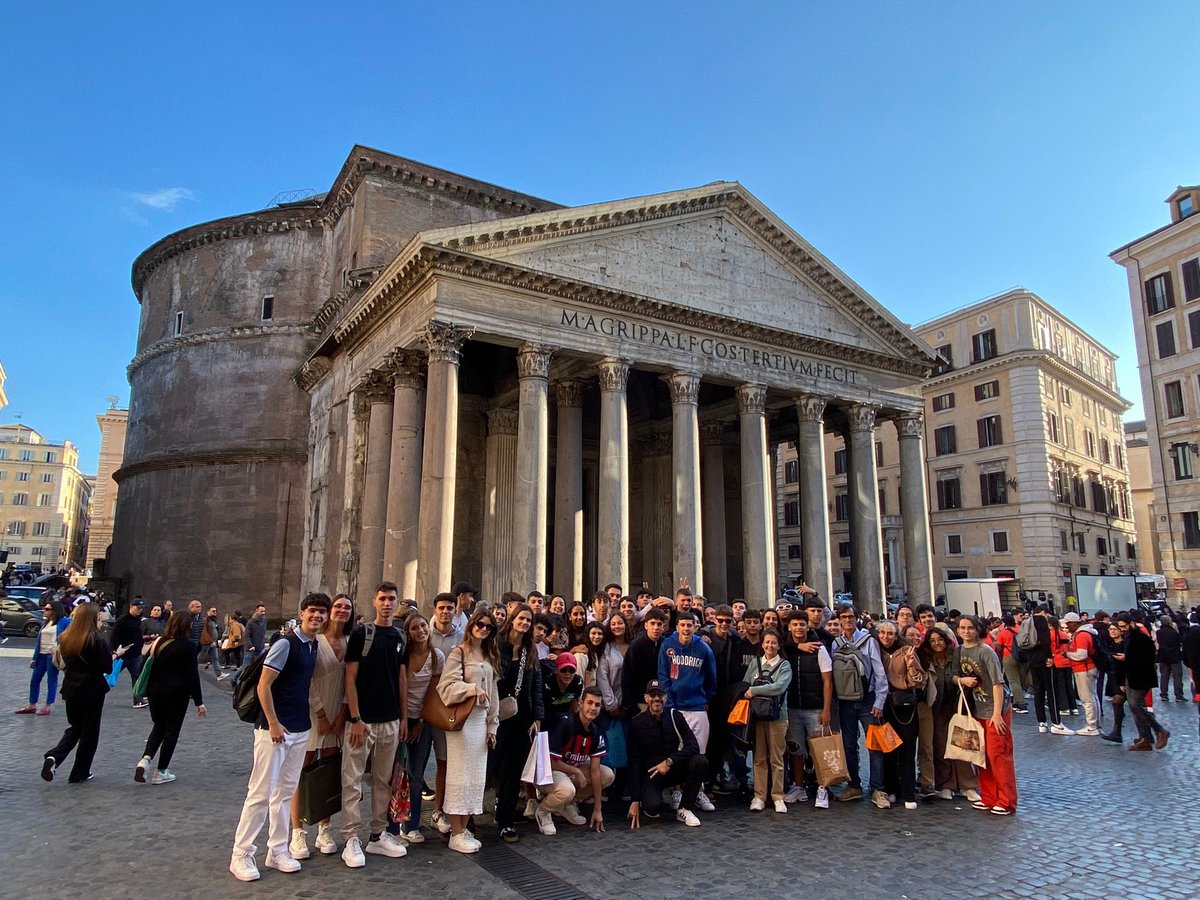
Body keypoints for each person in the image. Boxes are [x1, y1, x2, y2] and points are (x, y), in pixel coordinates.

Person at [229, 592, 330, 882]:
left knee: (285, 793)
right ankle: (242, 853)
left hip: (299, 728)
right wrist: (273, 723)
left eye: (322, 612)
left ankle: (277, 850)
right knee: (260, 793)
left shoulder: (312, 645)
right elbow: (263, 685)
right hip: (274, 730)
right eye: (312, 611)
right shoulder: (286, 643)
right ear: (302, 614)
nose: (318, 616)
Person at [340, 583, 407, 867]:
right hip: (363, 721)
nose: (387, 603)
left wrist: (403, 717)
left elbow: (402, 678)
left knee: (384, 781)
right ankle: (351, 837)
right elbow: (350, 678)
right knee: (352, 780)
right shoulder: (361, 633)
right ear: (374, 601)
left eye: (392, 599)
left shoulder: (400, 636)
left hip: (390, 720)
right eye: (383, 599)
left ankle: (377, 834)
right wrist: (355, 718)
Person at [287, 594, 352, 860]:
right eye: (337, 606)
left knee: (327, 771)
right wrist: (322, 714)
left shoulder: (351, 641)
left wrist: (342, 714)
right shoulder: (315, 639)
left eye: (347, 607)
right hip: (314, 712)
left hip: (338, 711)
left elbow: (352, 680)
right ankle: (297, 832)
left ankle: (324, 828)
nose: (341, 611)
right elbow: (308, 679)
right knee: (300, 771)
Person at [437, 607, 500, 853]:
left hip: (481, 720)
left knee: (475, 777)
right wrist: (471, 689)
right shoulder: (458, 653)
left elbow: (494, 693)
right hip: (462, 721)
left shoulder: (489, 655)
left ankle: (463, 828)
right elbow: (446, 687)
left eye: (488, 626)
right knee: (458, 776)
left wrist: (493, 724)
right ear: (471, 625)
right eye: (480, 624)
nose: (483, 629)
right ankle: (455, 831)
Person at [40, 602, 116, 784]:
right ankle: (80, 771)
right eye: (98, 616)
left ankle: (54, 757)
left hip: (71, 688)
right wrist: (115, 655)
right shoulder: (96, 640)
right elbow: (106, 666)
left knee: (75, 727)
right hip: (91, 690)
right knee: (89, 731)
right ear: (92, 618)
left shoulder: (66, 638)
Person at [387, 610, 445, 844]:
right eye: (415, 628)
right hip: (399, 717)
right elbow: (397, 688)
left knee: (416, 774)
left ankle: (411, 824)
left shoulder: (436, 656)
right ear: (408, 633)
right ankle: (390, 824)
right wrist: (403, 720)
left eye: (423, 626)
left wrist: (421, 722)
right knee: (394, 772)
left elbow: (433, 691)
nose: (421, 631)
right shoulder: (402, 654)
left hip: (423, 718)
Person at [951, 616, 1017, 815]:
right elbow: (954, 676)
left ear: (977, 630)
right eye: (962, 628)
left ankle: (1006, 800)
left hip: (994, 709)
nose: (966, 631)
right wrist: (962, 680)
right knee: (981, 756)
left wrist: (997, 714)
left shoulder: (986, 651)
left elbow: (998, 684)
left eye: (970, 628)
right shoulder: (958, 651)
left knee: (998, 755)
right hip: (975, 709)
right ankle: (989, 797)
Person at [135, 610, 206, 785]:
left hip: (155, 692)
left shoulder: (159, 642)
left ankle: (145, 759)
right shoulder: (188, 646)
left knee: (159, 726)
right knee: (171, 731)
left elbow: (146, 665)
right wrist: (199, 702)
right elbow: (192, 675)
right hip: (177, 693)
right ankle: (161, 771)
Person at [493, 603, 543, 843]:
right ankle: (469, 816)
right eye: (521, 618)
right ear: (512, 620)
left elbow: (536, 686)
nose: (524, 623)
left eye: (528, 620)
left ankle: (506, 820)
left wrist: (537, 717)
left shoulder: (529, 650)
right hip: (497, 714)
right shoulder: (496, 645)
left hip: (522, 715)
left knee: (514, 769)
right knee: (491, 764)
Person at [626, 679, 708, 828]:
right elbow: (634, 762)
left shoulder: (674, 716)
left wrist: (669, 761)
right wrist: (635, 799)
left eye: (660, 694)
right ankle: (651, 799)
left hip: (673, 769)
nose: (656, 698)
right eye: (652, 694)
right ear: (646, 698)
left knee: (700, 761)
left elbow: (693, 746)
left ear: (665, 697)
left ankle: (685, 808)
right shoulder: (636, 723)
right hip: (652, 775)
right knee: (652, 807)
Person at [831, 604, 889, 804]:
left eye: (850, 617)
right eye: (844, 617)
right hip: (845, 701)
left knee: (874, 745)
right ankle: (854, 785)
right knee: (848, 746)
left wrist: (880, 700)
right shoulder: (835, 643)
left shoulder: (869, 641)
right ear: (839, 620)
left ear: (856, 618)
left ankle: (878, 789)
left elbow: (879, 671)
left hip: (868, 700)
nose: (847, 620)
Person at [537, 686, 613, 835]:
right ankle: (543, 811)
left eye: (597, 705)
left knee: (608, 775)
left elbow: (596, 771)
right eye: (589, 703)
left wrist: (597, 809)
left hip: (569, 771)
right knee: (567, 790)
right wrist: (576, 771)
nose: (593, 708)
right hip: (547, 772)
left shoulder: (595, 731)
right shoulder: (565, 724)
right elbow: (550, 762)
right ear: (580, 703)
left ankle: (567, 804)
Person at [918, 623, 980, 802]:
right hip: (936, 706)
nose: (937, 643)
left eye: (940, 640)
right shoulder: (927, 659)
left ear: (946, 641)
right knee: (940, 746)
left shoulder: (956, 655)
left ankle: (968, 784)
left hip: (957, 704)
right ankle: (946, 784)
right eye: (933, 641)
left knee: (962, 744)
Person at [876, 621, 926, 810]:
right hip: (883, 704)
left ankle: (908, 791)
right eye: (882, 633)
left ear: (897, 636)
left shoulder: (907, 650)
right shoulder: (875, 649)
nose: (886, 637)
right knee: (888, 748)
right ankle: (891, 788)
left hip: (904, 704)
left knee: (906, 748)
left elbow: (918, 681)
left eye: (890, 633)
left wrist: (911, 665)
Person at [427, 591, 464, 835]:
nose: (445, 612)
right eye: (441, 608)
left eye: (449, 608)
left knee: (443, 762)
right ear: (434, 610)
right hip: (420, 705)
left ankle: (439, 810)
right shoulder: (423, 632)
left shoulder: (461, 637)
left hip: (445, 707)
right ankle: (403, 816)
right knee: (413, 765)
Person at [745, 629, 792, 813]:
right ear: (762, 644)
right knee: (759, 757)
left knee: (777, 758)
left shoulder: (784, 665)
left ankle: (778, 796)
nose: (770, 646)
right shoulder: (755, 664)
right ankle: (759, 796)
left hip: (778, 717)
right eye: (767, 642)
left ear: (779, 645)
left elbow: (779, 687)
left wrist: (756, 690)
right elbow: (745, 683)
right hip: (757, 717)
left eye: (773, 643)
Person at [1115, 613, 1169, 751]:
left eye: (1123, 626)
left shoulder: (1141, 637)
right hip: (1132, 675)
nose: (1122, 629)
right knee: (1135, 707)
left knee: (1136, 705)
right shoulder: (1129, 636)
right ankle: (1145, 737)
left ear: (1131, 623)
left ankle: (1159, 730)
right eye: (1120, 627)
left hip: (1142, 676)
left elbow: (1148, 657)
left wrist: (1127, 658)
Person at [16, 599, 68, 716]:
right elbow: (39, 641)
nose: (44, 611)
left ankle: (48, 706)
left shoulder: (64, 621)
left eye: (47, 609)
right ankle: (32, 704)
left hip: (52, 654)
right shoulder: (46, 622)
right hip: (41, 655)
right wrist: (34, 658)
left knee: (52, 680)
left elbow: (70, 634)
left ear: (55, 611)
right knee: (34, 680)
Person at [622, 608, 668, 714]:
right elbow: (627, 676)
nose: (656, 627)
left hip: (662, 701)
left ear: (663, 627)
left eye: (659, 624)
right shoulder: (636, 645)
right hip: (641, 702)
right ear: (646, 625)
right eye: (652, 623)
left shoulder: (667, 645)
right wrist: (631, 705)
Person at [1062, 613, 1101, 736]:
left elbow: (1081, 655)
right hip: (1089, 667)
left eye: (1068, 624)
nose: (1067, 626)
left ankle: (1091, 726)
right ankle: (1095, 724)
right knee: (1092, 696)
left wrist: (1067, 654)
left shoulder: (1081, 635)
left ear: (1074, 623)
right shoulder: (1087, 632)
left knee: (1087, 698)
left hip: (1084, 668)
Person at [113, 598, 149, 708]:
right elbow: (115, 636)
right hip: (123, 654)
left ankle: (137, 700)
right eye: (138, 608)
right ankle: (96, 694)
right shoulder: (122, 620)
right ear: (131, 606)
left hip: (136, 654)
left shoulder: (139, 620)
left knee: (137, 676)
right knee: (110, 675)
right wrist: (116, 650)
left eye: (141, 609)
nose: (140, 610)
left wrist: (144, 639)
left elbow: (137, 636)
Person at [1155, 616, 1185, 702]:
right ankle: (1178, 695)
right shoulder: (1173, 633)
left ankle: (1164, 694)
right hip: (1174, 656)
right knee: (1177, 676)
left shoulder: (1159, 632)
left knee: (1164, 676)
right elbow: (1179, 642)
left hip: (1163, 656)